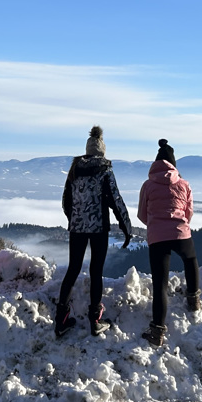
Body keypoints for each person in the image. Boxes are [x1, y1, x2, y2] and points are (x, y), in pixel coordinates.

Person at [56, 126, 133, 337]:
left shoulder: (74, 169)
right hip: (99, 228)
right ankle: (95, 321)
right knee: (96, 271)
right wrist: (127, 228)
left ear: (87, 150)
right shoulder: (105, 170)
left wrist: (74, 218)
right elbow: (116, 201)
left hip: (77, 228)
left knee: (73, 268)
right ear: (102, 151)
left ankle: (61, 319)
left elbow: (66, 201)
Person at [138, 139, 197, 348]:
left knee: (160, 283)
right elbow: (189, 212)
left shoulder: (147, 185)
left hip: (157, 237)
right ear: (173, 165)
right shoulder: (184, 184)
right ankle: (193, 299)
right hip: (181, 232)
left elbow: (141, 214)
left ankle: (157, 331)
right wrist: (179, 224)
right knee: (190, 259)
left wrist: (155, 224)